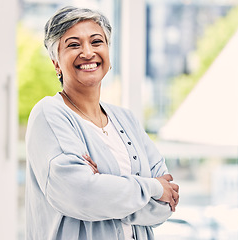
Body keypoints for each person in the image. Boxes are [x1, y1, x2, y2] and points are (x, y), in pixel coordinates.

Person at [25, 6, 179, 240]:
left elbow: (166, 205)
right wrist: (153, 188)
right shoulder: (49, 114)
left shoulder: (126, 120)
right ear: (56, 63)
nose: (88, 52)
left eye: (97, 42)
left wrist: (106, 189)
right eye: (73, 45)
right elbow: (82, 195)